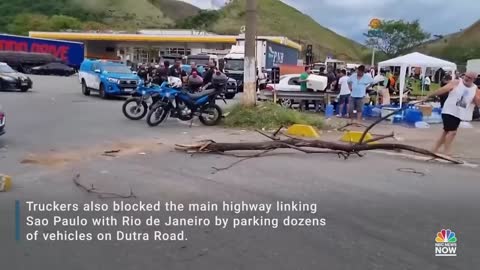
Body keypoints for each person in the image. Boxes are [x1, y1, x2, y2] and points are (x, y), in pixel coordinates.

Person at [421, 71, 480, 156]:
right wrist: (429, 96)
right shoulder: (457, 82)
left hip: (459, 113)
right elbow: (442, 89)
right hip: (449, 110)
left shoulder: (475, 89)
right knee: (452, 132)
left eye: (470, 78)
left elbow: (477, 103)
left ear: (474, 79)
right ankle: (447, 152)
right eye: (466, 76)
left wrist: (476, 98)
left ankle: (434, 149)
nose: (467, 78)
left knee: (446, 132)